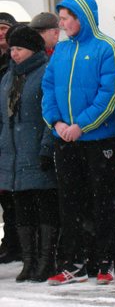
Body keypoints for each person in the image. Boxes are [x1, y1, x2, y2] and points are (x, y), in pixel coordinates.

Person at [41, 0, 115, 286]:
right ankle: (74, 261)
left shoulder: (108, 48)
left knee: (102, 201)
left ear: (82, 18)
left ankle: (105, 260)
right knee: (70, 203)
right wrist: (57, 122)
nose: (62, 24)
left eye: (65, 18)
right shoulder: (62, 52)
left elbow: (111, 95)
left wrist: (81, 125)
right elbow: (48, 89)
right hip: (65, 140)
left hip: (99, 141)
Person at [0, 25, 58, 282]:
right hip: (13, 153)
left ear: (33, 49)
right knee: (22, 208)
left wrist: (46, 148)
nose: (14, 53)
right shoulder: (7, 77)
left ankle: (47, 261)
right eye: (12, 48)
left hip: (36, 150)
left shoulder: (45, 73)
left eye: (19, 48)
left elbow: (50, 116)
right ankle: (29, 261)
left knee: (45, 206)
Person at [0, 12, 20, 265]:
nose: (0, 33)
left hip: (11, 132)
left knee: (13, 194)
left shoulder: (15, 62)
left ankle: (15, 242)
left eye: (4, 27)